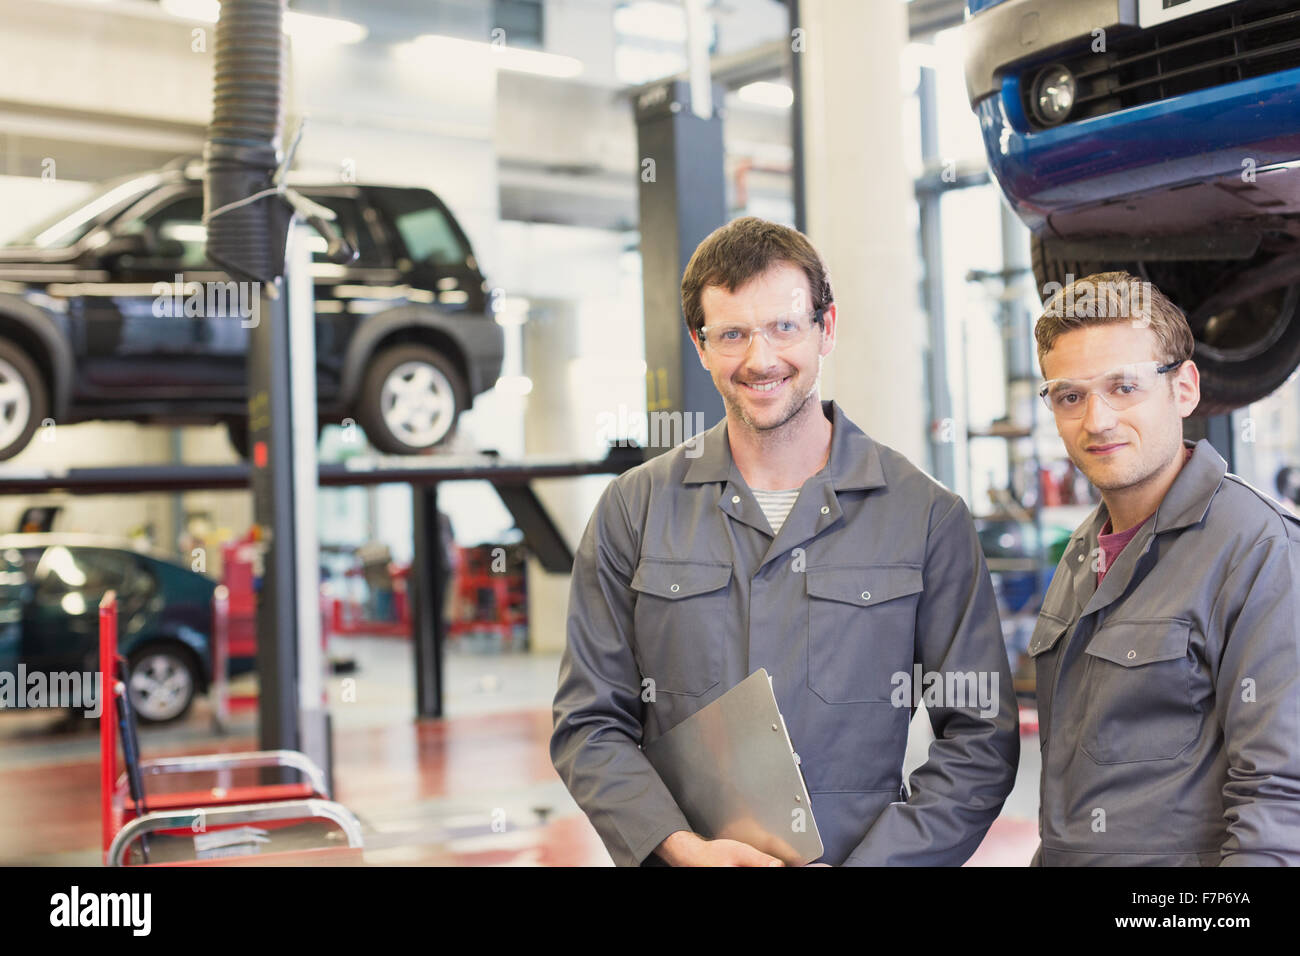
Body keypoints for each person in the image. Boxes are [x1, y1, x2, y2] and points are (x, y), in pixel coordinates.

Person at [550, 217, 1018, 866]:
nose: (760, 359)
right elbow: (589, 724)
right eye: (733, 334)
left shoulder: (925, 516)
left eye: (784, 327)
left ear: (826, 329)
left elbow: (979, 740)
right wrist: (680, 848)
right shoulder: (633, 510)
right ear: (700, 344)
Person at [1029, 271, 1300, 865]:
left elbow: (1280, 801)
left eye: (1123, 387)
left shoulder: (1258, 549)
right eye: (1070, 395)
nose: (1096, 420)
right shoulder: (1083, 550)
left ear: (1184, 389)